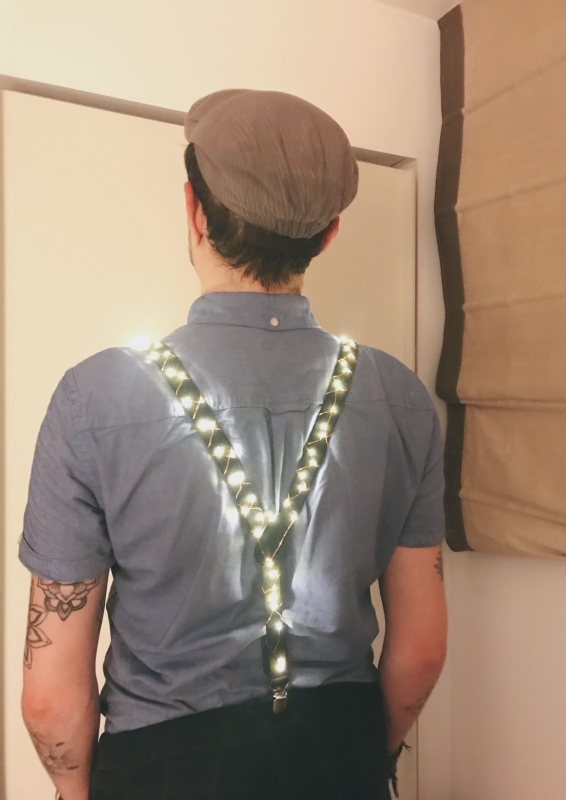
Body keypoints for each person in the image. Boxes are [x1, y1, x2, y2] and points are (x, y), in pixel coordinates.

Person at [20, 89, 447, 800]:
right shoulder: (400, 398)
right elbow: (421, 651)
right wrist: (369, 758)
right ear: (329, 234)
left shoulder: (92, 398)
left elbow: (48, 697)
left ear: (194, 210)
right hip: (339, 754)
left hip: (162, 768)